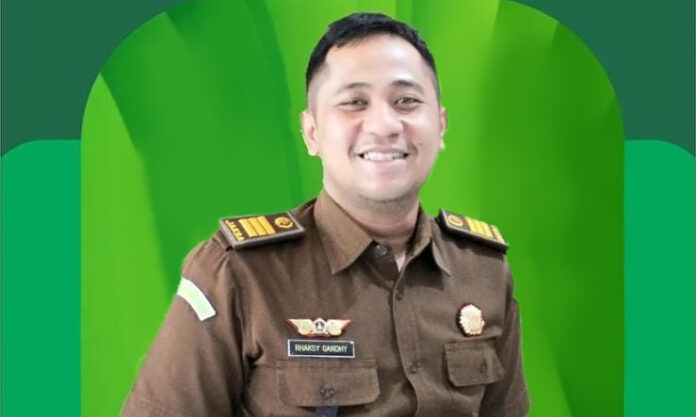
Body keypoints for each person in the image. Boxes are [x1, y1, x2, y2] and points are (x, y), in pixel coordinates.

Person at [123, 12, 529, 417]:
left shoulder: (484, 271)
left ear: (440, 126)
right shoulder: (237, 273)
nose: (384, 125)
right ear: (312, 132)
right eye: (354, 102)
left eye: (406, 101)